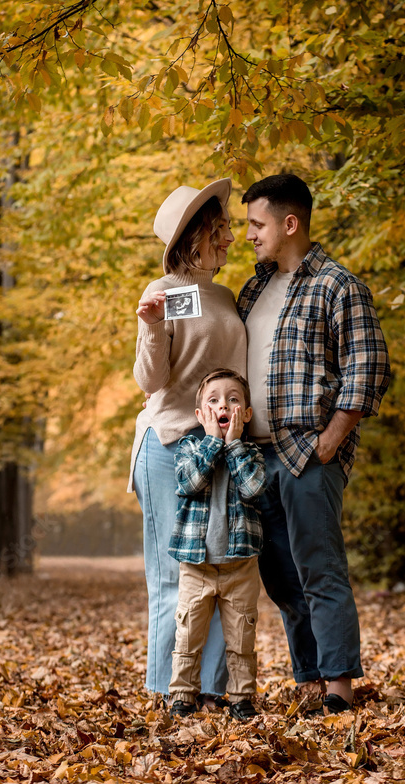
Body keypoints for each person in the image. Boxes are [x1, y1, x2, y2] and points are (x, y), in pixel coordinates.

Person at [238, 173, 390, 713]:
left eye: (257, 224)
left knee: (320, 570)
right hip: (255, 457)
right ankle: (309, 681)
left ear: (289, 222)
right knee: (280, 576)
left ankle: (339, 690)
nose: (249, 234)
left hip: (307, 454)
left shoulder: (337, 285)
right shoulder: (253, 289)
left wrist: (331, 440)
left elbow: (367, 368)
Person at [129, 178, 247, 703]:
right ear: (192, 238)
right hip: (171, 445)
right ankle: (166, 690)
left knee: (222, 573)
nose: (228, 240)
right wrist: (151, 328)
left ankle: (211, 692)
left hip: (219, 449)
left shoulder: (224, 294)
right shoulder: (165, 293)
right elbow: (152, 381)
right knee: (175, 578)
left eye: (227, 230)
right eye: (219, 231)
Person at [168, 369, 266, 722]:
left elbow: (254, 489)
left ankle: (241, 698)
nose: (223, 404)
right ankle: (182, 695)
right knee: (188, 635)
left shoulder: (251, 453)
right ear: (200, 415)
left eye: (234, 399)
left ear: (247, 414)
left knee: (241, 638)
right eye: (213, 400)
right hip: (197, 565)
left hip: (240, 566)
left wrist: (235, 445)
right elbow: (190, 483)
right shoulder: (190, 447)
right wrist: (212, 441)